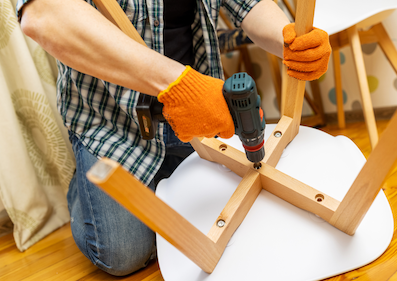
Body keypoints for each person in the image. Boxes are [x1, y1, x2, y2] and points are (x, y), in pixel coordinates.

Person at [17, 0, 331, 276]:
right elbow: (43, 14)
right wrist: (178, 85)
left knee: (243, 216)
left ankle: (164, 179)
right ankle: (87, 180)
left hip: (198, 119)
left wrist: (288, 40)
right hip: (114, 122)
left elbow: (249, 4)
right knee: (122, 254)